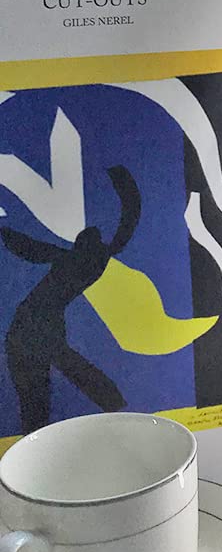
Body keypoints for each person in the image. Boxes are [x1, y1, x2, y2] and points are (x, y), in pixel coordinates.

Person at [2, 165, 140, 432]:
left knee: (49, 379)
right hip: (37, 325)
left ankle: (113, 403)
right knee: (56, 373)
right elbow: (28, 247)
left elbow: (27, 247)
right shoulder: (92, 258)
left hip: (33, 324)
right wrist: (123, 183)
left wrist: (123, 181)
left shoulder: (81, 258)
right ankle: (113, 403)